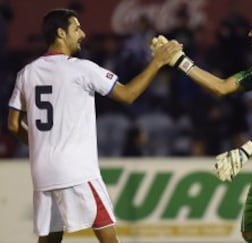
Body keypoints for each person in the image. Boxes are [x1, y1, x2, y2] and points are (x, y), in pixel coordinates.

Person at [7, 8, 181, 243]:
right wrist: (157, 62)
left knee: (50, 240)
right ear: (61, 33)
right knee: (109, 238)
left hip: (43, 172)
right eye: (76, 28)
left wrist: (39, 145)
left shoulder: (27, 73)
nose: (83, 33)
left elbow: (13, 124)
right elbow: (128, 94)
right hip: (76, 171)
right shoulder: (82, 69)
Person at [152, 6, 252, 243]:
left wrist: (244, 151)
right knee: (250, 232)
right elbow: (222, 87)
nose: (250, 33)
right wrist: (179, 61)